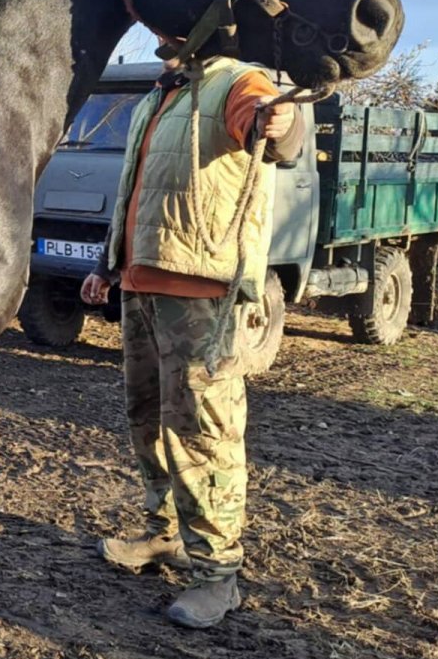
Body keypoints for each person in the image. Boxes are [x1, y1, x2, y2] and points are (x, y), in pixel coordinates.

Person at [80, 49, 304, 628]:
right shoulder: (159, 96)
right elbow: (136, 191)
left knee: (204, 432)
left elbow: (273, 132)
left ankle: (217, 575)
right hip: (140, 284)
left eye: (172, 20)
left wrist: (282, 122)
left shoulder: (236, 82)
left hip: (203, 295)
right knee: (148, 419)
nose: (160, 32)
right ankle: (164, 534)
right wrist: (109, 265)